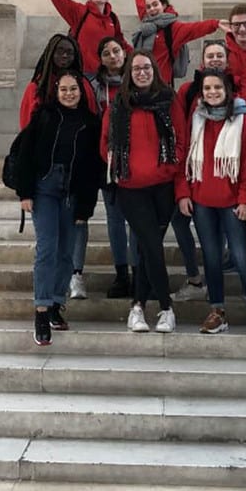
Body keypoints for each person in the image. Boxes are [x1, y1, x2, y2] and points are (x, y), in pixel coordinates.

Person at [13, 73, 104, 347]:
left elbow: (93, 168)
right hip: (45, 188)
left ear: (81, 91)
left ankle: (55, 302)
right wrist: (25, 193)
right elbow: (26, 153)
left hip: (72, 192)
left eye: (73, 89)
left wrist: (86, 206)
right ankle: (41, 310)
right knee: (47, 248)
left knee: (66, 252)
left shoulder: (90, 122)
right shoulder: (44, 115)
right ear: (57, 91)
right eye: (63, 89)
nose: (68, 94)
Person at [175, 71, 246, 336]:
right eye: (207, 88)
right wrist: (183, 193)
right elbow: (185, 158)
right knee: (211, 257)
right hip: (201, 201)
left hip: (232, 203)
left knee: (241, 256)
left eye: (217, 87)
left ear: (228, 90)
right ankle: (217, 311)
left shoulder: (244, 122)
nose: (212, 92)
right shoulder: (196, 118)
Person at [102, 50, 187, 333]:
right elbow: (105, 143)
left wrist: (168, 168)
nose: (142, 72)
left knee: (146, 248)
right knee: (151, 245)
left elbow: (181, 138)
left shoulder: (168, 100)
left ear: (154, 70)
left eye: (146, 67)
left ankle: (137, 307)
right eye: (136, 68)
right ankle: (166, 308)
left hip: (163, 186)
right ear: (129, 72)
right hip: (131, 188)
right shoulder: (119, 104)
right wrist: (120, 167)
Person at [85, 36, 134, 299]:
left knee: (137, 219)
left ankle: (140, 271)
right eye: (107, 53)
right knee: (115, 219)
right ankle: (121, 273)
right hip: (107, 160)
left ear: (124, 53)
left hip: (137, 159)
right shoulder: (95, 86)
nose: (113, 56)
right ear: (101, 59)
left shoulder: (136, 79)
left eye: (116, 51)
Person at [132, 0, 223, 86]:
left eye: (155, 5)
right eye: (148, 7)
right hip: (141, 83)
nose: (152, 9)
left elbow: (195, 28)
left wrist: (216, 23)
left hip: (161, 85)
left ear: (164, 5)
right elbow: (140, 2)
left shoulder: (172, 28)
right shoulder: (147, 22)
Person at [19, 33, 97, 130]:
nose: (64, 55)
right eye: (60, 51)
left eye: (69, 52)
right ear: (51, 53)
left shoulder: (83, 85)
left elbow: (92, 117)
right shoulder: (37, 86)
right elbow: (27, 126)